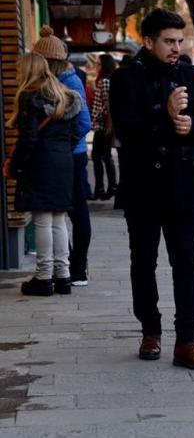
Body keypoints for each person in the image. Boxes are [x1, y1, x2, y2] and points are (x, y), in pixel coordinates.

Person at [109, 8, 194, 369]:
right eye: (168, 41)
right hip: (142, 185)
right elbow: (125, 129)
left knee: (186, 262)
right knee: (144, 261)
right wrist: (165, 115)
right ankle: (150, 331)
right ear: (149, 41)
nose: (175, 47)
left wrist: (192, 126)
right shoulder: (126, 78)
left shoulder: (189, 74)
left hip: (182, 184)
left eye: (179, 41)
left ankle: (188, 340)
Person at [4, 53, 82, 296]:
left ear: (27, 71)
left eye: (19, 70)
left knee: (42, 219)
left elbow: (28, 139)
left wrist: (14, 166)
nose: (17, 74)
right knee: (58, 219)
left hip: (42, 162)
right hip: (63, 162)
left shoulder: (31, 97)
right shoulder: (64, 95)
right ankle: (63, 276)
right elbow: (76, 132)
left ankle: (44, 277)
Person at [33, 26, 93, 287]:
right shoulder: (48, 81)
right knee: (59, 214)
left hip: (73, 156)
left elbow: (84, 122)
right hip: (59, 156)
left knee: (76, 213)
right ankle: (64, 268)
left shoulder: (70, 81)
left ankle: (77, 268)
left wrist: (63, 144)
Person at [89, 54, 118, 202]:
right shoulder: (105, 80)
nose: (96, 67)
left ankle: (108, 187)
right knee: (101, 156)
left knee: (101, 156)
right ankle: (105, 187)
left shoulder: (105, 81)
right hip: (102, 125)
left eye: (99, 64)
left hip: (104, 125)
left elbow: (108, 105)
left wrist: (99, 115)